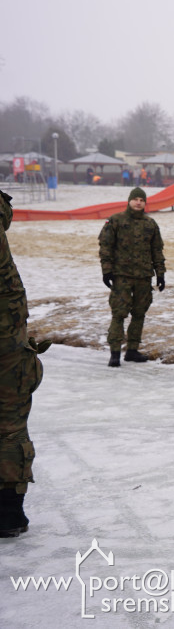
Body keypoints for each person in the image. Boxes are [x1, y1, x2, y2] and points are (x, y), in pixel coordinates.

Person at [0, 188, 47, 538]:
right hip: (9, 347)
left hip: (9, 349)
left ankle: (9, 512)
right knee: (10, 426)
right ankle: (9, 512)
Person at [98, 188, 166, 367]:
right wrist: (107, 270)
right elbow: (106, 246)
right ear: (129, 201)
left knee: (139, 313)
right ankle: (114, 352)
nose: (138, 202)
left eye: (141, 200)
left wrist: (160, 273)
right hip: (122, 276)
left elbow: (157, 251)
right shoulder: (115, 221)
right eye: (135, 199)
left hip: (144, 276)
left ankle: (132, 350)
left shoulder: (150, 224)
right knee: (119, 313)